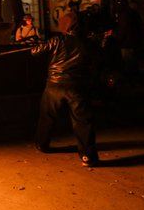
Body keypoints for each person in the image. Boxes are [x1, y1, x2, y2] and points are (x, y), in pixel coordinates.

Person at [31, 11, 99, 167]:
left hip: (54, 85)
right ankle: (87, 156)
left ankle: (42, 144)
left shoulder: (57, 40)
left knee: (47, 116)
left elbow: (35, 52)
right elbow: (94, 63)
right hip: (76, 86)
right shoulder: (87, 43)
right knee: (82, 120)